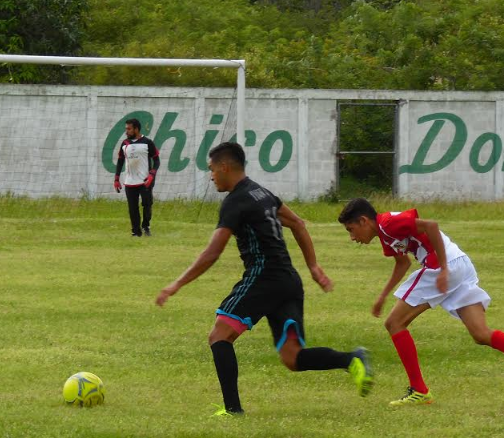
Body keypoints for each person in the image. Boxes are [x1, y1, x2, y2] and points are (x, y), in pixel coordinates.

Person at [155, 142, 373, 417]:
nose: (211, 176)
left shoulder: (235, 201)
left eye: (212, 170)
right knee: (292, 358)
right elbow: (298, 223)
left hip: (264, 277)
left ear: (224, 167)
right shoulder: (262, 193)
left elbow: (212, 252)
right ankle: (352, 358)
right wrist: (313, 267)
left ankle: (232, 410)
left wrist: (176, 284)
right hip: (289, 281)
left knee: (219, 335)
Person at [337, 199, 504, 406]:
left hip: (444, 266)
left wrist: (442, 268)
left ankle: (419, 390)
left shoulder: (388, 223)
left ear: (363, 221)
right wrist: (383, 295)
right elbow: (402, 263)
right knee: (480, 334)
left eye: (351, 230)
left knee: (394, 323)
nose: (352, 237)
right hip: (459, 264)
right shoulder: (385, 234)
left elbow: (431, 226)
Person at [114, 118, 159, 237]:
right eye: (126, 129)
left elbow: (157, 160)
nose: (126, 131)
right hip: (130, 182)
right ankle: (136, 232)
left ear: (136, 129)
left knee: (147, 204)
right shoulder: (125, 144)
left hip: (145, 181)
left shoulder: (147, 142)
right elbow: (120, 161)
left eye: (129, 129)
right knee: (132, 208)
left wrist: (152, 174)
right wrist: (116, 179)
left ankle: (146, 226)